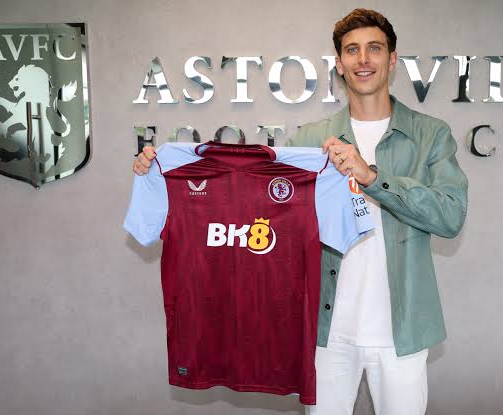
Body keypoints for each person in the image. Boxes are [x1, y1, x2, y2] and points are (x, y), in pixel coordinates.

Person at [132, 8, 468, 415]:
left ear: (392, 59)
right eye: (352, 50)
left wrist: (372, 176)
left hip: (404, 330)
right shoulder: (310, 140)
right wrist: (166, 176)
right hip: (326, 332)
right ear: (339, 64)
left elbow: (451, 216)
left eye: (374, 49)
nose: (363, 59)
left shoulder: (431, 134)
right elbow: (255, 203)